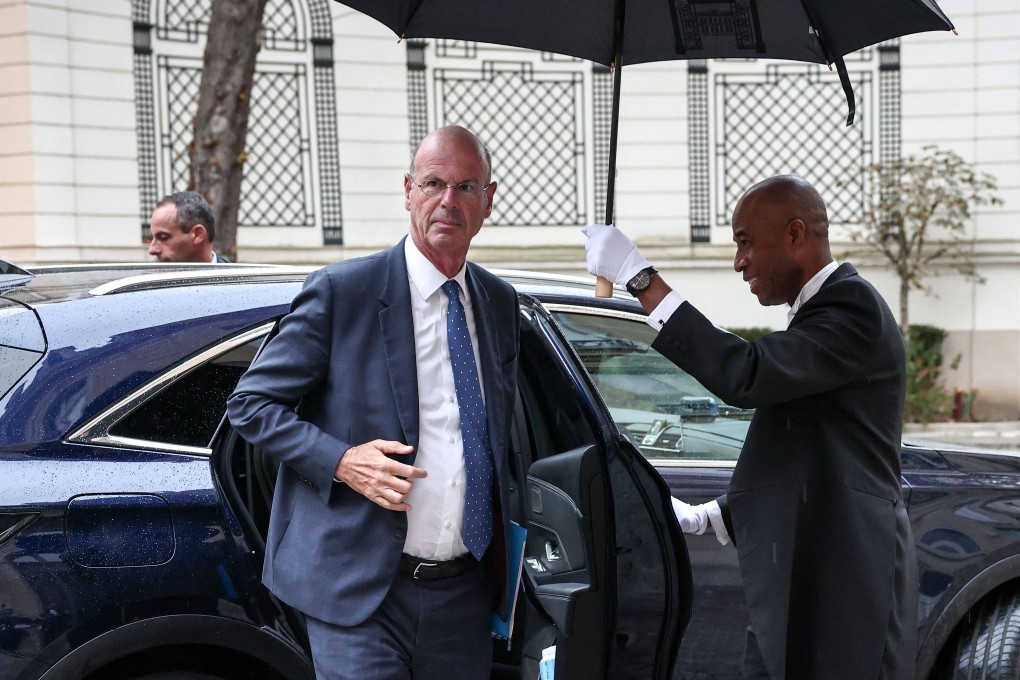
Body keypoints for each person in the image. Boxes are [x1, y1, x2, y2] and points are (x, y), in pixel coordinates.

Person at [583, 175, 916, 680]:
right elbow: (805, 442)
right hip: (807, 577)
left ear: (795, 234)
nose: (738, 262)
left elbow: (747, 374)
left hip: (847, 584)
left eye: (745, 242)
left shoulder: (853, 308)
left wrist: (640, 278)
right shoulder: (820, 313)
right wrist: (714, 515)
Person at [226, 125, 520, 680]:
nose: (448, 201)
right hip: (359, 593)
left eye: (466, 187)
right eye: (433, 184)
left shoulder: (500, 303)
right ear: (408, 191)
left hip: (463, 594)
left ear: (489, 200)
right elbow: (252, 405)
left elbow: (500, 436)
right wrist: (341, 461)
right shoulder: (345, 291)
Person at [147, 191, 230, 262]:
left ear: (198, 234)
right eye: (152, 238)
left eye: (163, 237)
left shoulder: (235, 275)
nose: (152, 250)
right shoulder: (148, 275)